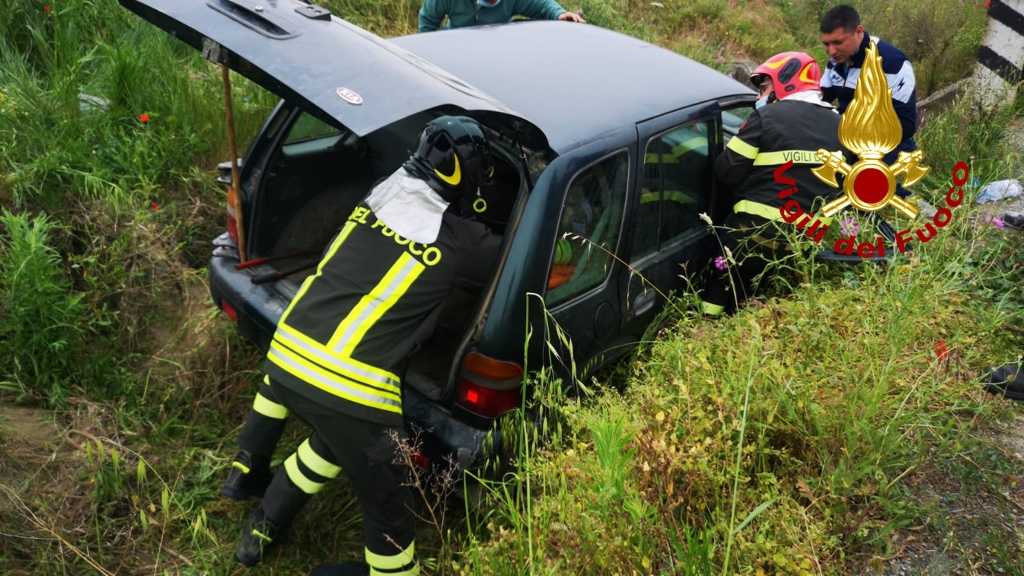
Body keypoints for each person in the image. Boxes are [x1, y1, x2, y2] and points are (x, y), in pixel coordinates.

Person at [220, 116, 504, 575]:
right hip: (354, 392)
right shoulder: (462, 240)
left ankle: (260, 527)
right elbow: (534, 266)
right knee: (389, 507)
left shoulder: (376, 199)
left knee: (333, 444)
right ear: (465, 178)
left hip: (285, 363)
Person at [700, 52, 841, 316]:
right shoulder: (840, 124)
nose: (759, 96)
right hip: (806, 240)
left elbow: (726, 171)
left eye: (764, 87)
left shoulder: (768, 118)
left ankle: (706, 325)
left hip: (754, 230)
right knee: (770, 297)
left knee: (722, 279)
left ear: (784, 83)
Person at [819, 4, 917, 196]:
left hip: (888, 146)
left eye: (838, 42)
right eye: (826, 44)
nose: (831, 51)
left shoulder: (892, 62)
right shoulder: (835, 61)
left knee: (864, 198)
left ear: (859, 31)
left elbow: (906, 125)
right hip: (848, 138)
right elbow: (821, 99)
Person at [418, 0, 584, 32]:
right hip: (458, 43)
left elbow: (541, 5)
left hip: (496, 47)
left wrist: (560, 14)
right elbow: (427, 21)